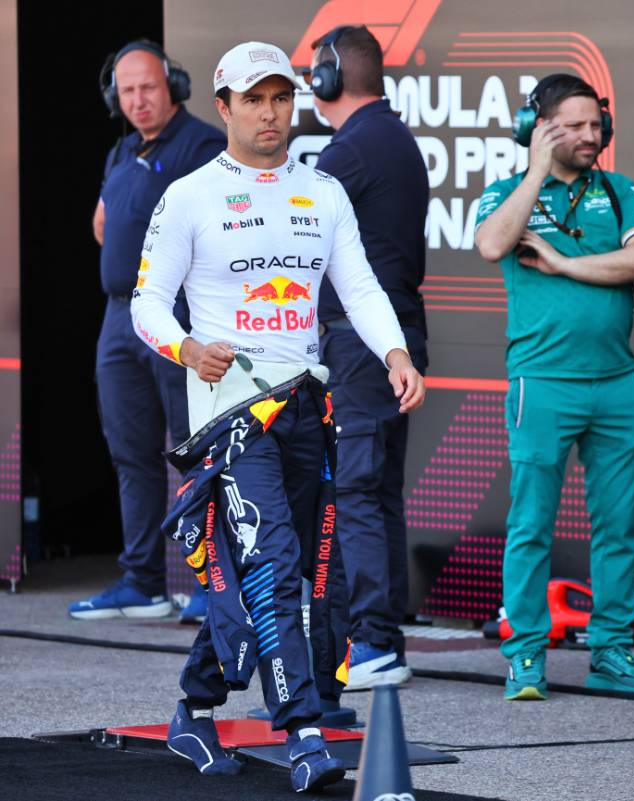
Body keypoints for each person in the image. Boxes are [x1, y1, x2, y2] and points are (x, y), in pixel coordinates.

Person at [130, 41, 424, 793]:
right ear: (222, 107)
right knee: (272, 564)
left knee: (275, 573)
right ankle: (304, 735)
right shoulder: (191, 194)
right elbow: (146, 305)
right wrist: (188, 348)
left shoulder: (322, 190)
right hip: (229, 416)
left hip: (305, 405)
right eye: (254, 100)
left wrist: (394, 353)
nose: (270, 113)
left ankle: (192, 709)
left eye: (281, 98)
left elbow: (357, 287)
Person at [474, 74, 634, 700]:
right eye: (573, 126)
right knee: (530, 524)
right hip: (542, 385)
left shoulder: (619, 189)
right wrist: (534, 170)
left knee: (618, 530)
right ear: (539, 128)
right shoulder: (506, 193)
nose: (591, 136)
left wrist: (560, 263)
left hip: (616, 385)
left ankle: (611, 652)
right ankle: (524, 654)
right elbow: (491, 244)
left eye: (595, 124)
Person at [71, 41, 224, 623]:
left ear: (174, 87)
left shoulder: (203, 145)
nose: (138, 99)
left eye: (149, 87)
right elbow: (105, 224)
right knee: (130, 452)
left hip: (176, 315)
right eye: (127, 90)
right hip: (119, 316)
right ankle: (142, 581)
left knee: (194, 449)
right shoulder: (120, 151)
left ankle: (214, 581)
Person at [305, 25, 429, 690]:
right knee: (374, 488)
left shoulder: (355, 148)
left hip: (365, 344)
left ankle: (373, 640)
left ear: (328, 78)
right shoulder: (387, 137)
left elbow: (289, 214)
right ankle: (378, 638)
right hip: (383, 339)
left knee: (358, 487)